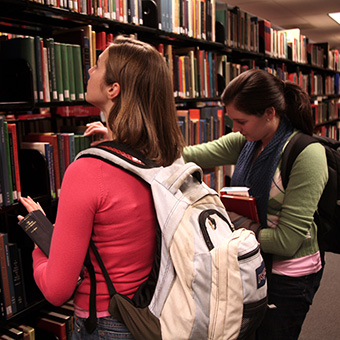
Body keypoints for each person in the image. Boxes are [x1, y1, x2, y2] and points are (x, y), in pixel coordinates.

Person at [18, 35, 185, 339]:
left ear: (113, 89)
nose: (89, 72)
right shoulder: (167, 156)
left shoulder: (87, 171)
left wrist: (39, 240)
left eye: (96, 66)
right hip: (153, 313)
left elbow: (57, 290)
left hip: (106, 323)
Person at [182, 68, 328, 340]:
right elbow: (187, 155)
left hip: (289, 276)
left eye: (241, 121)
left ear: (269, 113)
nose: (234, 129)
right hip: (250, 262)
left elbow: (287, 241)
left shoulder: (307, 154)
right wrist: (124, 138)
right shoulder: (247, 142)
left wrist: (236, 224)